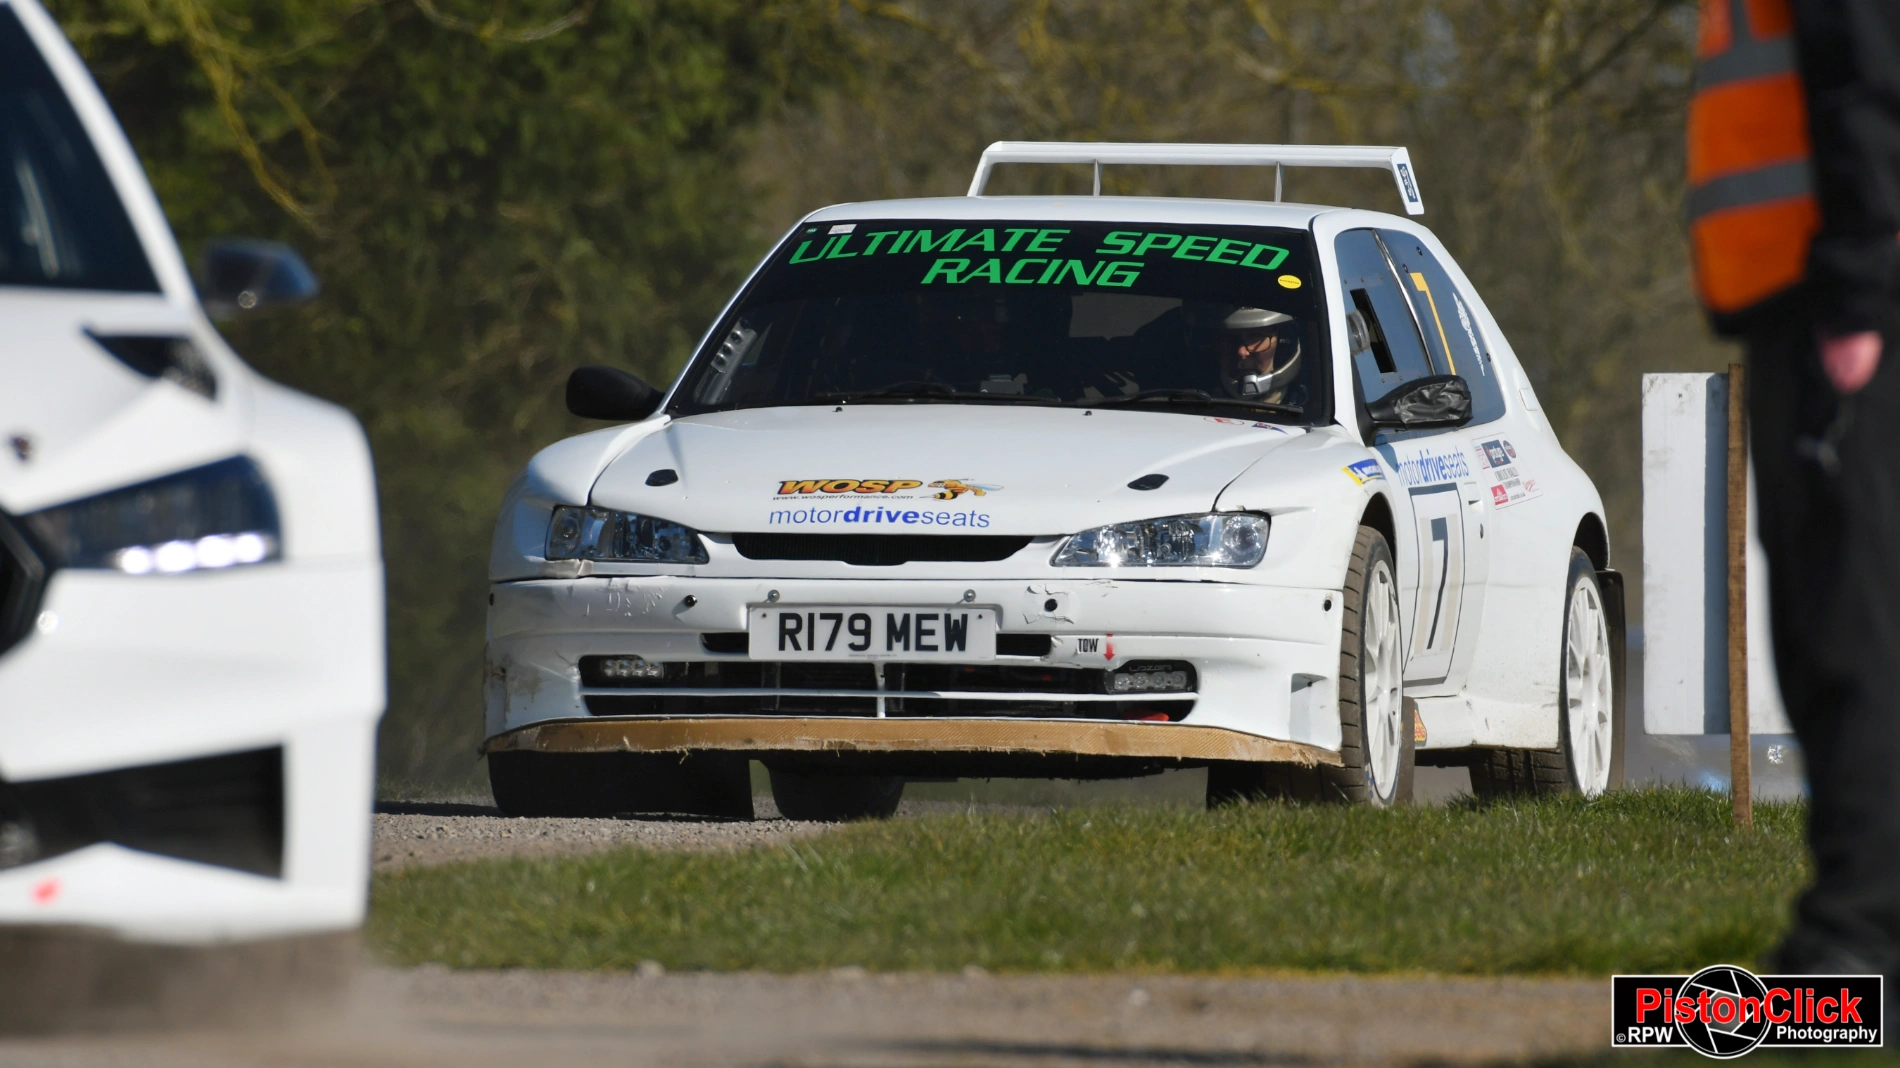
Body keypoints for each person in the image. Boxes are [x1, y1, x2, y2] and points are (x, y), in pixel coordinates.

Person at [1687, 0, 1900, 976]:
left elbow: (1866, 69)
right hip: (1808, 302)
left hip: (1841, 311)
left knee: (1848, 633)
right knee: (1832, 634)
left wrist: (1858, 288)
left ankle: (1854, 949)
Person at [1196, 306, 1304, 403]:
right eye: (1228, 340)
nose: (1241, 352)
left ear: (1283, 343)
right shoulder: (1190, 405)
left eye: (1255, 338)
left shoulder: (1313, 411)